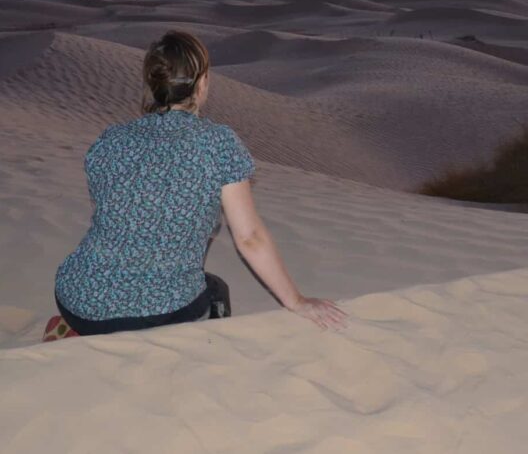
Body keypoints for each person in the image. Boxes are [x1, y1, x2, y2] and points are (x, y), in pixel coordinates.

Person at [53, 29, 348, 337]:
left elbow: (114, 217)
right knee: (215, 290)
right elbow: (249, 238)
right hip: (159, 313)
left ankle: (79, 332)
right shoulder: (218, 144)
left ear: (151, 84)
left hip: (79, 299)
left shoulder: (109, 141)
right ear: (202, 83)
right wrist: (297, 301)